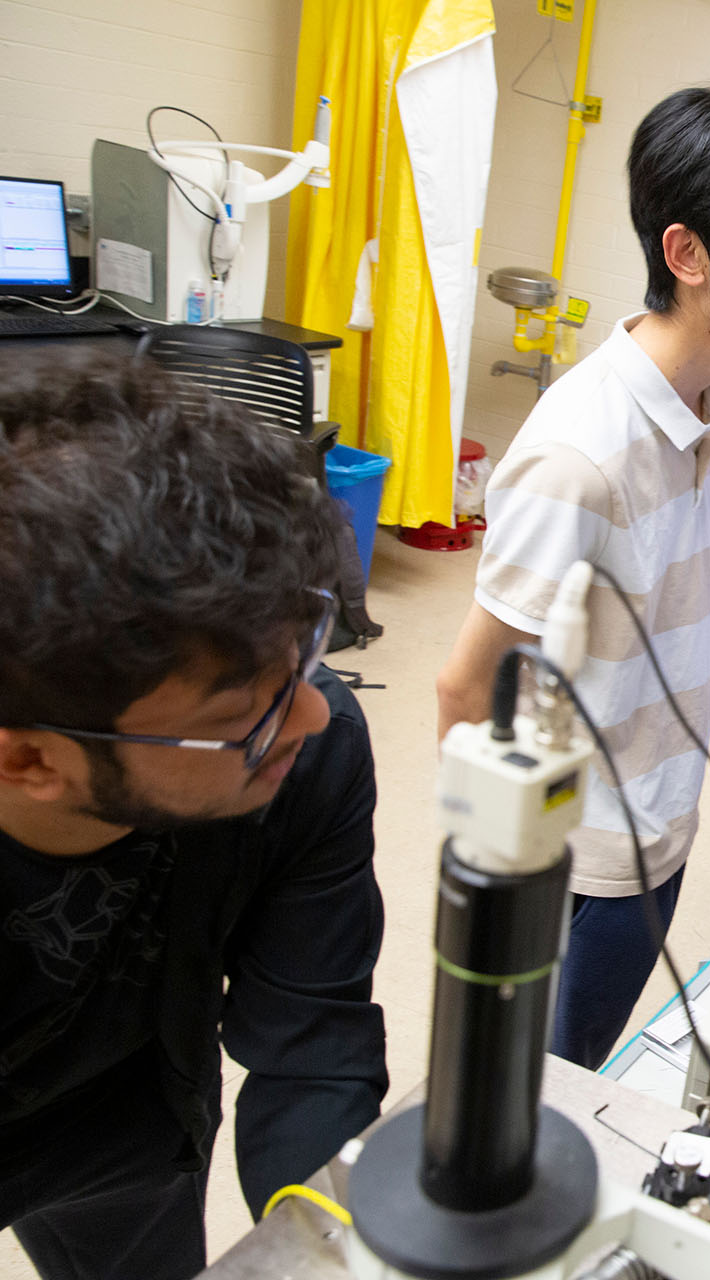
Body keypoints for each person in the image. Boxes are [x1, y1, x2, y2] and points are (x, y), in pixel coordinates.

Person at [435, 86, 710, 1070]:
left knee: (575, 1080)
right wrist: (492, 897)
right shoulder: (580, 458)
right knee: (527, 1096)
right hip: (567, 859)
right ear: (686, 252)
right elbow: (464, 685)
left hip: (661, 819)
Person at [0, 350, 388, 1279]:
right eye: (236, 720)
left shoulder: (312, 745)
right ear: (29, 759)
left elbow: (312, 1049)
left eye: (301, 656)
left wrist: (351, 1255)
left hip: (135, 1120)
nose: (310, 716)